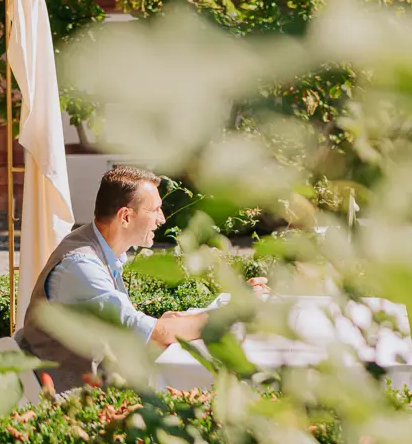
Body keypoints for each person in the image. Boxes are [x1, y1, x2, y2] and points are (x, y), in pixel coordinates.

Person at [18, 166, 253, 392]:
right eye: (155, 210)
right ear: (126, 217)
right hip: (76, 398)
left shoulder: (96, 248)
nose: (162, 219)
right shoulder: (81, 266)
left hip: (97, 382)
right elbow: (154, 335)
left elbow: (137, 333)